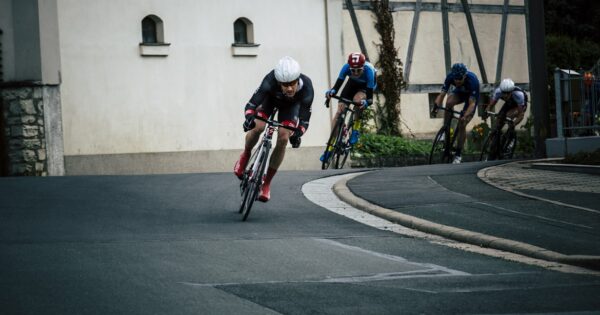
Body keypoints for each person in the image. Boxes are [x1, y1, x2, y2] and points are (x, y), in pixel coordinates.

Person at [233, 56, 314, 202]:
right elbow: (252, 103)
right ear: (278, 82)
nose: (289, 88)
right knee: (258, 127)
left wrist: (298, 133)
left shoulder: (307, 87)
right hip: (270, 100)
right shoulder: (270, 80)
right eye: (285, 84)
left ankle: (266, 184)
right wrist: (249, 117)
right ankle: (245, 155)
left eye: (292, 84)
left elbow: (305, 118)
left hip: (290, 108)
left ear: (298, 79)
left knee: (284, 137)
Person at [322, 52, 377, 161]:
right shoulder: (346, 68)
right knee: (339, 112)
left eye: (359, 70)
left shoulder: (369, 71)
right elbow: (337, 86)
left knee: (357, 100)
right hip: (351, 84)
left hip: (365, 87)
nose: (356, 73)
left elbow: (370, 99)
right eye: (353, 70)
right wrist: (331, 92)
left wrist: (365, 103)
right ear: (349, 67)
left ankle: (356, 127)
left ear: (363, 67)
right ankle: (330, 147)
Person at [432, 63, 480, 164]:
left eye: (460, 79)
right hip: (460, 93)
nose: (457, 81)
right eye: (455, 79)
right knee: (448, 102)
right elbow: (442, 95)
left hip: (471, 99)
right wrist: (435, 107)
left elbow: (472, 104)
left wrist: (465, 116)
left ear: (465, 76)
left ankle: (458, 154)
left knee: (462, 123)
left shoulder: (473, 81)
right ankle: (446, 129)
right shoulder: (450, 77)